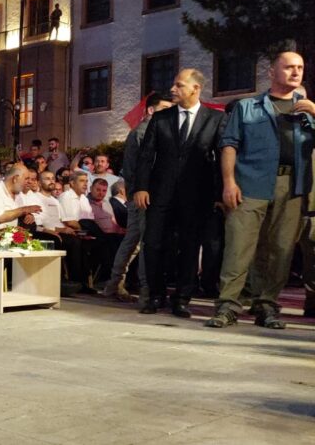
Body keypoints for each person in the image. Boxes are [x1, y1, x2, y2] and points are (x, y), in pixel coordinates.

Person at [208, 52, 314, 329]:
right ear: (272, 72)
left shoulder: (307, 110)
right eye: (289, 67)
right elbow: (229, 145)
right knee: (239, 247)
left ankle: (266, 306)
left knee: (280, 250)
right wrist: (229, 183)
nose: (296, 72)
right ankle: (228, 306)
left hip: (292, 188)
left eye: (300, 68)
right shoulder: (247, 107)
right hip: (249, 185)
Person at [136, 69, 227, 317]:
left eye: (179, 85)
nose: (173, 89)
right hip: (159, 194)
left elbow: (221, 159)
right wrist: (141, 186)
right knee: (153, 243)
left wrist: (220, 194)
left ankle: (182, 298)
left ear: (196, 89)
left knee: (189, 246)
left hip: (197, 196)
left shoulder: (215, 119)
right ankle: (156, 295)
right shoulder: (161, 118)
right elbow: (146, 156)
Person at [103, 93, 174, 301]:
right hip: (143, 196)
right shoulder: (144, 133)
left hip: (138, 195)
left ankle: (114, 284)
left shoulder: (142, 132)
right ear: (151, 110)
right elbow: (142, 168)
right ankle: (145, 289)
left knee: (133, 241)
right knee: (144, 241)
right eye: (164, 109)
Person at [0, 164, 42, 228]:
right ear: (15, 178)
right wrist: (24, 210)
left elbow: (17, 214)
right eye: (26, 179)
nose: (28, 182)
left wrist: (28, 215)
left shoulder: (17, 194)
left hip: (14, 233)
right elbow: (0, 217)